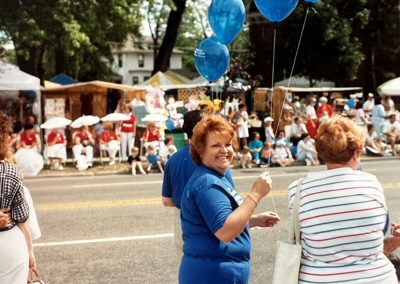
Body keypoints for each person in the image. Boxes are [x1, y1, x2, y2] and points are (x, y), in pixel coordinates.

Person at [288, 116, 397, 283]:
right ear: (356, 152)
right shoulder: (371, 182)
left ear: (321, 152)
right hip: (375, 278)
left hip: (320, 279)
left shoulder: (297, 189)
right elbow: (377, 232)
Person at [179, 115, 280, 283]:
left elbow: (215, 221)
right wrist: (255, 194)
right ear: (200, 149)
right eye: (215, 145)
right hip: (212, 274)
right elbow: (225, 231)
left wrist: (252, 220)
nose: (224, 150)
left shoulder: (217, 175)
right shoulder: (208, 184)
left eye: (227, 144)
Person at [0, 112, 36, 283]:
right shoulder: (10, 172)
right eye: (6, 134)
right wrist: (30, 251)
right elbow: (22, 220)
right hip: (8, 246)